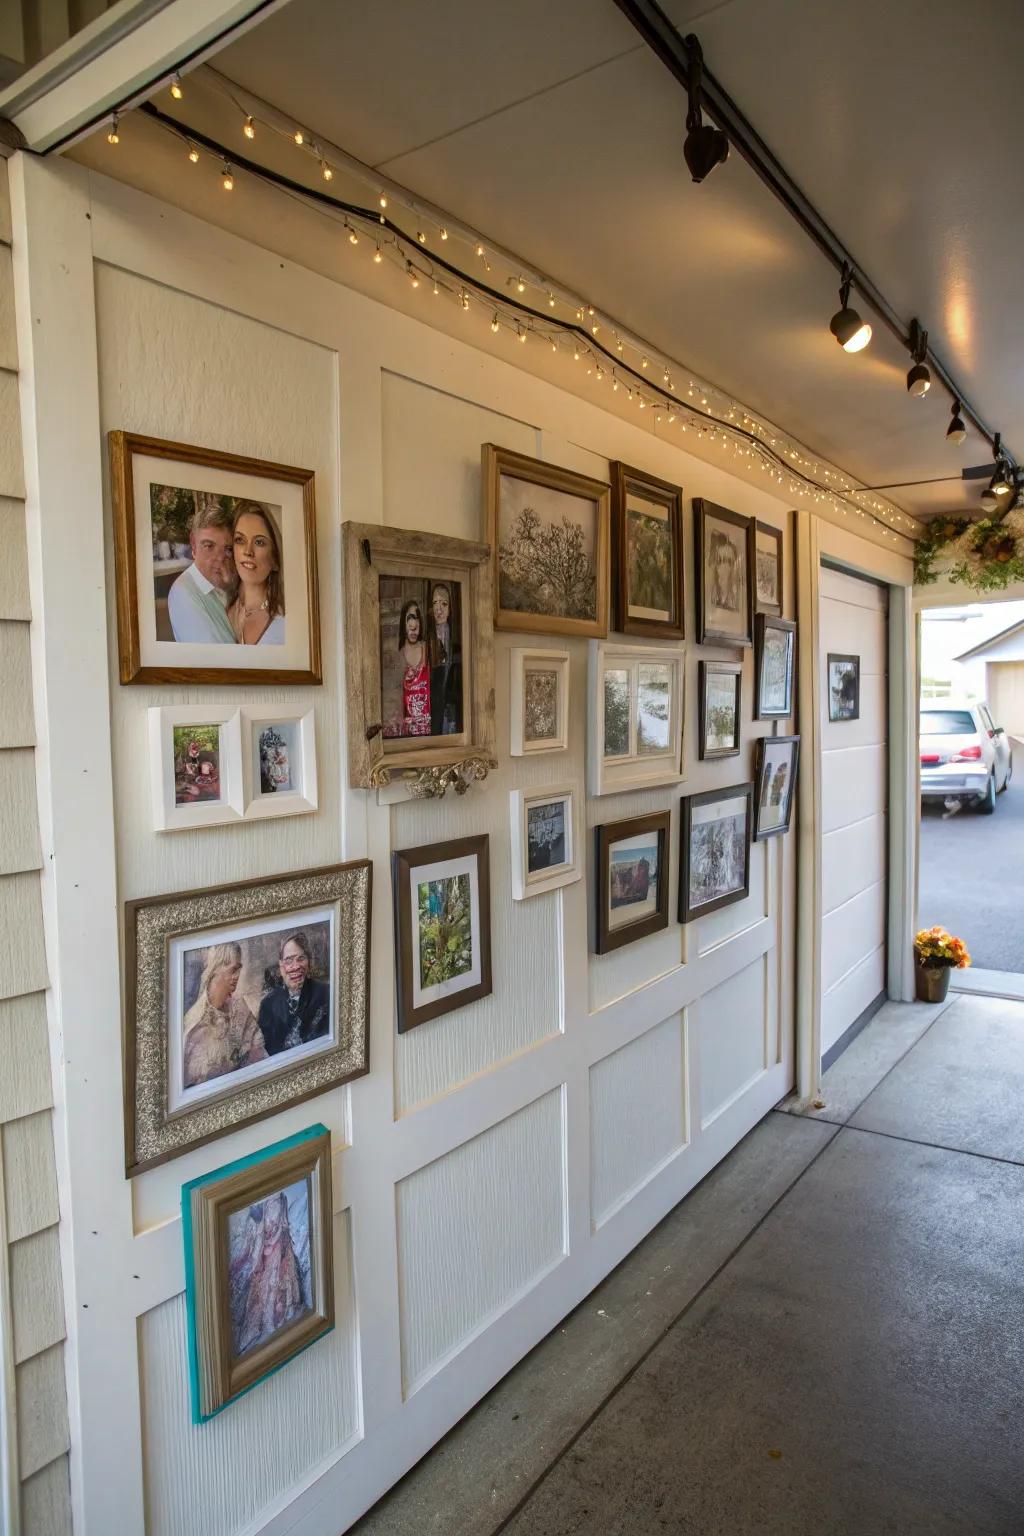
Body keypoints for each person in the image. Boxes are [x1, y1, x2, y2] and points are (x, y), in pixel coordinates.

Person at [229, 1192, 307, 1356]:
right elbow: (262, 1228)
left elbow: (281, 1226)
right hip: (265, 1250)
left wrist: (272, 1242)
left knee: (276, 1282)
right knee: (262, 1286)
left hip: (278, 1248)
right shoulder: (264, 1206)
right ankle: (262, 1322)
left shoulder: (282, 1200)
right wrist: (261, 1248)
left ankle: (277, 1317)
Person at [182, 943, 267, 1089]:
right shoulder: (193, 1026)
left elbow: (260, 1056)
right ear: (215, 969)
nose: (237, 976)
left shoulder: (241, 1009)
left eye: (239, 969)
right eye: (233, 970)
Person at [167, 504, 237, 643]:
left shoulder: (227, 583)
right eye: (209, 546)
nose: (220, 557)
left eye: (228, 549)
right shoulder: (183, 593)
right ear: (193, 545)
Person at [257, 931, 331, 1055]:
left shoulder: (326, 994)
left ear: (308, 962)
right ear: (281, 966)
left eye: (301, 958)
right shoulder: (268, 1005)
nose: (296, 966)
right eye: (289, 960)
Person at [227, 500, 286, 646]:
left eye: (259, 542)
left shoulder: (286, 622)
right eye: (240, 540)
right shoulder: (219, 610)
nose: (248, 551)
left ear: (275, 559)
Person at [388, 599, 431, 737]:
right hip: (407, 734)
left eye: (416, 619)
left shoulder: (427, 650)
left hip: (429, 730)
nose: (413, 627)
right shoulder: (399, 655)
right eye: (409, 619)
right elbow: (394, 698)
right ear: (403, 624)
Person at [427, 582, 462, 736]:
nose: (439, 609)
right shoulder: (427, 638)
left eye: (444, 604)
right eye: (435, 603)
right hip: (433, 705)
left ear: (450, 608)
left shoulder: (457, 637)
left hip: (453, 704)